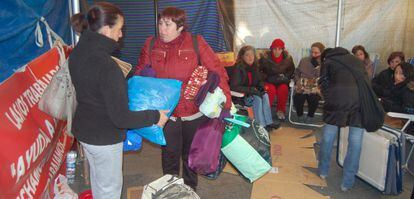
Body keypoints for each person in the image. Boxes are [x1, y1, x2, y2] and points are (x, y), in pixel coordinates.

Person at [68, 2, 169, 198]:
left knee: (99, 182)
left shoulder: (78, 52)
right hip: (104, 138)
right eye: (119, 29)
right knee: (110, 190)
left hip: (85, 132)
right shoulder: (106, 66)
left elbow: (93, 93)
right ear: (106, 30)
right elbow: (121, 118)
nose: (121, 35)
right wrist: (155, 115)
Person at [132, 7, 232, 191]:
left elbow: (217, 70)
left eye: (167, 24)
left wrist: (226, 103)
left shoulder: (196, 42)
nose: (162, 29)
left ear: (180, 26)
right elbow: (138, 73)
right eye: (160, 23)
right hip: (166, 113)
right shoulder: (151, 44)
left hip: (192, 112)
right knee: (169, 154)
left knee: (190, 155)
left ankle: (189, 190)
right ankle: (169, 190)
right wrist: (143, 76)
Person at [317, 47, 366, 192]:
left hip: (337, 103)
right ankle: (347, 182)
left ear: (325, 56)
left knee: (328, 137)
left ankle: (323, 170)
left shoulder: (328, 62)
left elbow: (323, 82)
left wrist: (329, 97)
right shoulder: (357, 60)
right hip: (360, 104)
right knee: (355, 143)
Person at [230, 45, 280, 131]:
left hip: (252, 92)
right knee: (257, 99)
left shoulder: (255, 67)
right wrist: (251, 90)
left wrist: (261, 87)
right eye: (247, 55)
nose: (250, 57)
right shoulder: (238, 68)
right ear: (242, 57)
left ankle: (268, 122)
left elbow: (259, 80)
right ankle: (261, 125)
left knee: (265, 95)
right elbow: (234, 86)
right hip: (241, 96)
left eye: (252, 55)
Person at [259, 38, 295, 120]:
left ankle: (280, 111)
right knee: (270, 90)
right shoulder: (265, 58)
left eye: (279, 49)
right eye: (275, 49)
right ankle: (266, 111)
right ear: (271, 49)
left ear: (283, 50)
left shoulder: (288, 58)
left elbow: (291, 70)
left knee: (283, 89)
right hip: (269, 80)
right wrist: (266, 77)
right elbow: (259, 70)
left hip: (281, 81)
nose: (277, 51)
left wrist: (285, 76)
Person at [293, 42, 325, 123]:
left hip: (315, 86)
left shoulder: (324, 63)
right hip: (303, 84)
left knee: (314, 98)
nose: (313, 54)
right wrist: (297, 81)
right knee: (298, 97)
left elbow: (322, 77)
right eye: (312, 52)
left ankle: (310, 115)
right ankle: (300, 114)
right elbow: (297, 72)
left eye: (316, 53)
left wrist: (317, 67)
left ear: (321, 53)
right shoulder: (304, 60)